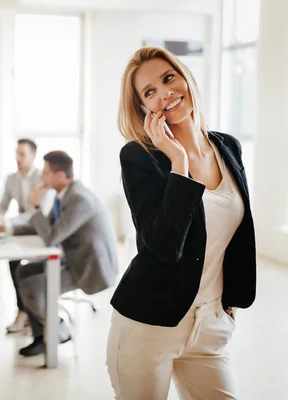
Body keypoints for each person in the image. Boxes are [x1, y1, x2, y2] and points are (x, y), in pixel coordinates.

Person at [107, 47, 256, 400]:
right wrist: (179, 162)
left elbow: (235, 231)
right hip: (148, 326)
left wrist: (228, 298)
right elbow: (162, 245)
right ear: (144, 109)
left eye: (168, 78)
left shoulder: (228, 147)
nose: (165, 93)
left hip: (210, 324)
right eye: (149, 92)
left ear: (185, 76)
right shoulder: (139, 157)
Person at [0, 151, 118, 356]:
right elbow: (44, 227)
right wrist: (6, 228)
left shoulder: (79, 199)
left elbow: (51, 237)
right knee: (23, 272)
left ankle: (59, 330)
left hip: (88, 267)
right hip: (73, 259)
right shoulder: (65, 194)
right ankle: (42, 336)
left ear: (61, 175)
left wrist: (37, 205)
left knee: (33, 285)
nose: (41, 177)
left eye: (46, 173)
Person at [0, 138, 55, 334]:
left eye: (22, 154)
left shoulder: (43, 178)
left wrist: (6, 222)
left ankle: (35, 313)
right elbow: (3, 206)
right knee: (12, 261)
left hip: (40, 232)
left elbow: (39, 213)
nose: (18, 158)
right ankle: (22, 311)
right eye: (16, 154)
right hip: (22, 230)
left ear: (33, 156)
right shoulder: (11, 179)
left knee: (30, 268)